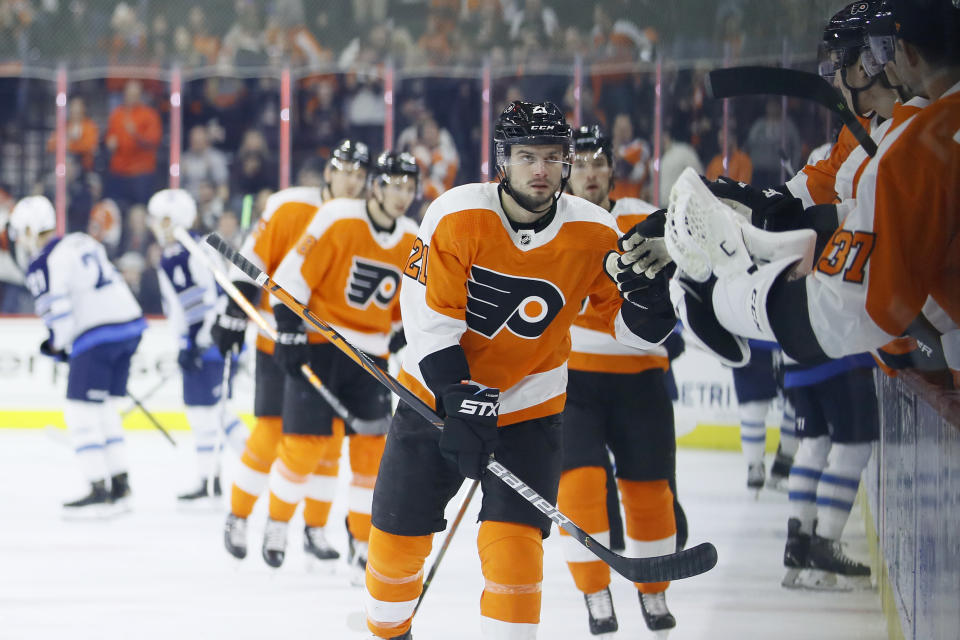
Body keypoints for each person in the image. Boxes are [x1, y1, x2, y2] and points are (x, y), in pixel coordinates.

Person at [663, 0, 959, 587]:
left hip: (863, 338)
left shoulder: (912, 144)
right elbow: (808, 205)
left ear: (898, 56)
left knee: (832, 437)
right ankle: (807, 535)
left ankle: (806, 534)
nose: (841, 77)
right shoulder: (900, 136)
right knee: (831, 438)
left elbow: (864, 307)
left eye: (863, 56)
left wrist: (723, 298)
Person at [363, 101, 675, 640]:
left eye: (551, 157)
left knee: (515, 557)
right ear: (502, 160)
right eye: (526, 156)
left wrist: (652, 309)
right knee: (395, 547)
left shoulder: (596, 232)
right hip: (433, 398)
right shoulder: (456, 214)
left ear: (566, 163)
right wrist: (460, 398)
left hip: (529, 406)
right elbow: (431, 321)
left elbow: (625, 326)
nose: (539, 170)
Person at [261, 151, 419, 577]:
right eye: (394, 185)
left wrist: (409, 334)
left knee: (371, 456)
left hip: (371, 359)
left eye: (410, 187)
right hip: (322, 344)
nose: (403, 196)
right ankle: (277, 523)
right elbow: (293, 276)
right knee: (304, 448)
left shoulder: (413, 238)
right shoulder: (336, 217)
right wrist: (291, 332)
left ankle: (362, 541)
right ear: (377, 186)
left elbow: (416, 307)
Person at [216, 139, 372, 562]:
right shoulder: (289, 207)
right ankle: (239, 515)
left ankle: (315, 529)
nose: (352, 182)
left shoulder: (363, 218)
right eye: (346, 172)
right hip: (278, 340)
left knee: (328, 443)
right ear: (329, 172)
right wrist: (233, 312)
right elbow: (253, 260)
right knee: (270, 433)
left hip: (335, 349)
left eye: (360, 176)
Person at [558, 125, 679, 635]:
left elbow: (686, 274)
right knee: (580, 487)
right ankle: (595, 592)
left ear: (611, 169)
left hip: (640, 378)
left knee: (648, 491)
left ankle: (652, 592)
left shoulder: (642, 217)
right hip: (572, 383)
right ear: (569, 170)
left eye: (597, 162)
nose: (589, 172)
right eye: (580, 162)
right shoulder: (552, 221)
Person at [11, 195, 146, 516]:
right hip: (130, 326)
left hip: (97, 334)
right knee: (104, 409)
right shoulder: (81, 240)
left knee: (79, 412)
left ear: (30, 229)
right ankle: (121, 486)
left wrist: (59, 345)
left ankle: (99, 490)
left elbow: (58, 311)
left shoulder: (42, 261)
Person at [146, 189, 249, 502]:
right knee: (210, 412)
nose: (155, 225)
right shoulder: (196, 245)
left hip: (208, 343)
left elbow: (200, 302)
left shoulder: (181, 251)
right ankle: (213, 477)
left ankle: (236, 470)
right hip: (213, 339)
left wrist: (191, 342)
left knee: (207, 413)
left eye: (161, 219)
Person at [104, 80, 163, 208]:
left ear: (140, 95)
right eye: (129, 94)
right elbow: (110, 136)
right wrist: (110, 143)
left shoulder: (149, 114)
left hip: (141, 172)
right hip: (119, 171)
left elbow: (153, 141)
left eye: (135, 94)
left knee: (140, 208)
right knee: (115, 206)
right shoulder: (117, 114)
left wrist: (136, 135)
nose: (131, 97)